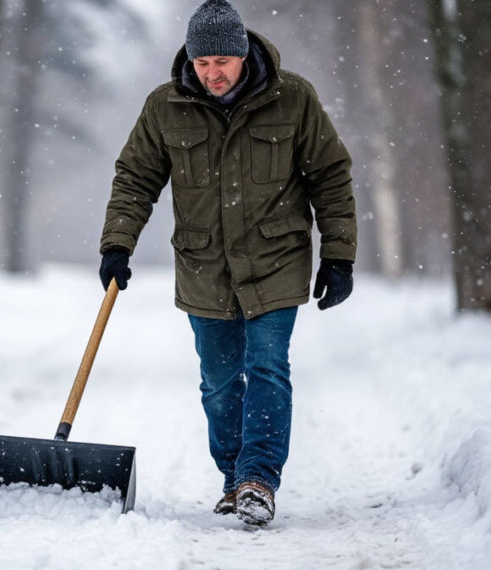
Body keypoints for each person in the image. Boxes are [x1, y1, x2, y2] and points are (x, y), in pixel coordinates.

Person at [97, 0, 357, 526]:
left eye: (221, 61)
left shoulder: (293, 98)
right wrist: (117, 244)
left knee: (267, 367)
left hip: (276, 258)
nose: (212, 74)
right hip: (203, 265)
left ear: (242, 54)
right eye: (202, 63)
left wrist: (338, 255)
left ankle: (258, 479)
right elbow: (135, 178)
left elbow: (330, 176)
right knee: (218, 383)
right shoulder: (165, 107)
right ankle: (234, 477)